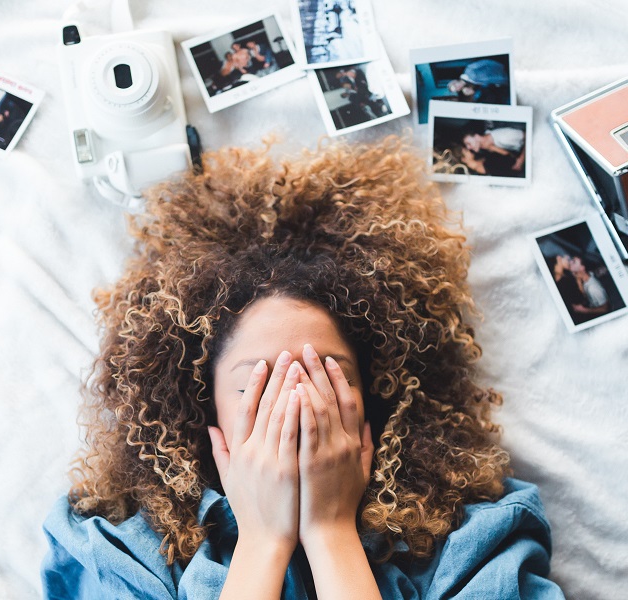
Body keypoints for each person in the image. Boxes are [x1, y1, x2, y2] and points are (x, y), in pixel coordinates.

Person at [41, 140, 565, 598]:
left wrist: (331, 532)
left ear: (376, 396)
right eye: (257, 384)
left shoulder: (480, 538)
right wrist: (263, 541)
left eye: (324, 377)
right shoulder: (118, 544)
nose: (295, 404)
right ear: (205, 406)